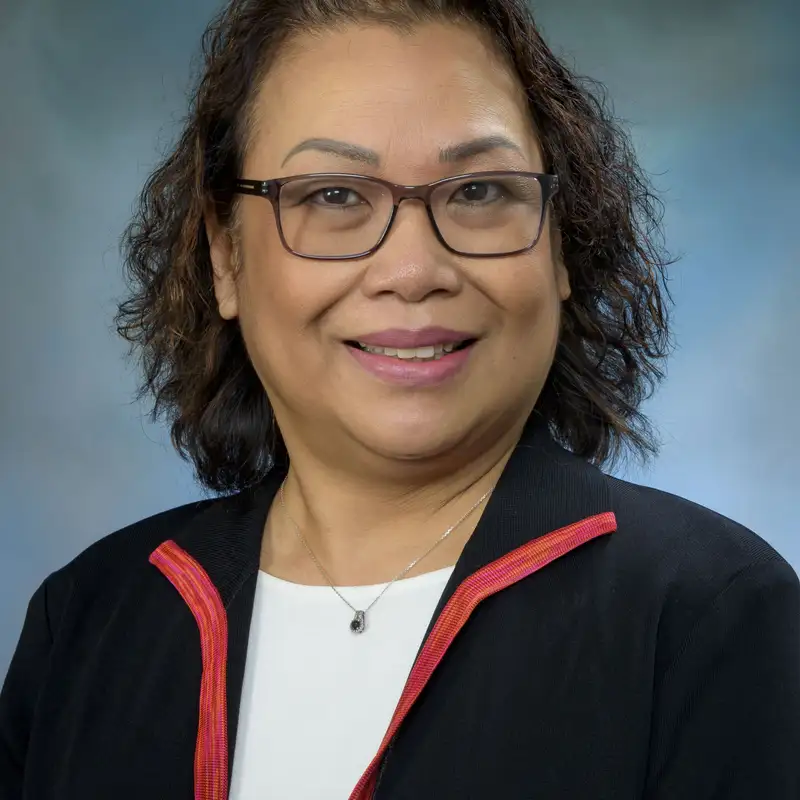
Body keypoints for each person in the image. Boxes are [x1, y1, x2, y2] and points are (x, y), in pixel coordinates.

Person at [2, 0, 799, 797]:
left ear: (561, 244)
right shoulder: (87, 621)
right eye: (334, 196)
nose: (413, 270)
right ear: (225, 257)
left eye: (478, 190)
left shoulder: (711, 614)